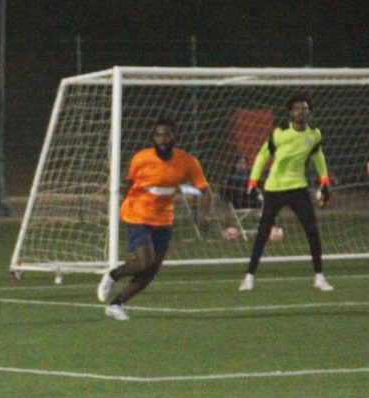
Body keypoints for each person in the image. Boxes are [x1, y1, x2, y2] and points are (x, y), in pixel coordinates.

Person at [96, 117, 213, 320]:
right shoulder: (141, 158)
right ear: (153, 137)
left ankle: (117, 304)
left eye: (167, 134)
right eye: (158, 134)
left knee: (153, 268)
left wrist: (206, 214)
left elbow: (205, 190)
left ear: (175, 137)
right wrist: (118, 207)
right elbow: (128, 184)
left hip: (163, 219)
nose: (163, 138)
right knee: (145, 261)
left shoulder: (187, 161)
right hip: (137, 213)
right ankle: (113, 275)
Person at [238, 92, 334, 292]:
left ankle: (319, 277)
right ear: (290, 113)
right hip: (274, 188)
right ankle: (249, 277)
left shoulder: (314, 135)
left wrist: (324, 181)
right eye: (298, 108)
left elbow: (318, 157)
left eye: (305, 108)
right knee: (263, 233)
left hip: (298, 188)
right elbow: (263, 155)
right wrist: (253, 181)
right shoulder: (279, 133)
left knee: (312, 231)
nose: (302, 111)